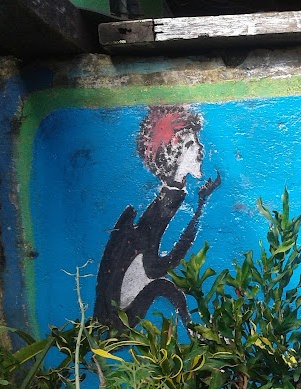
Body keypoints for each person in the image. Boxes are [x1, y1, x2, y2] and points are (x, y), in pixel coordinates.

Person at [94, 105, 221, 330]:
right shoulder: (164, 206)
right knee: (167, 288)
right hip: (122, 316)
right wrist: (201, 205)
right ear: (173, 154)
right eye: (191, 144)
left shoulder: (169, 198)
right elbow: (161, 264)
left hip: (124, 307)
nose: (200, 149)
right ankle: (198, 335)